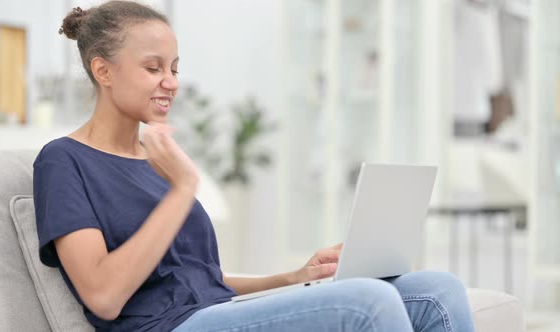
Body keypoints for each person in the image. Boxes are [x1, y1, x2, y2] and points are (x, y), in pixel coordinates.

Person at [33, 1, 475, 331]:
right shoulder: (64, 161)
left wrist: (293, 277)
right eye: (153, 68)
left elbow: (198, 277)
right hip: (166, 328)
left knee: (438, 289)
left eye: (174, 67)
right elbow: (105, 296)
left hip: (216, 312)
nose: (171, 82)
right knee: (369, 301)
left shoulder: (157, 159)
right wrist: (184, 187)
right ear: (103, 71)